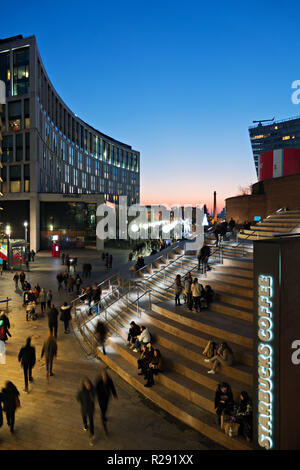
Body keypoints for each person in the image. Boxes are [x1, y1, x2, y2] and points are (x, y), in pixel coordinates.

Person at [95, 368, 117, 435]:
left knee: (106, 407)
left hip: (107, 397)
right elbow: (96, 389)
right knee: (102, 408)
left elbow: (112, 387)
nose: (104, 377)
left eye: (105, 375)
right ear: (101, 375)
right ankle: (103, 419)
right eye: (103, 375)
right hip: (101, 398)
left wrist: (114, 394)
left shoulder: (109, 380)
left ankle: (103, 415)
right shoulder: (99, 381)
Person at [76, 379, 96, 446]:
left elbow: (94, 397)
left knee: (91, 421)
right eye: (86, 384)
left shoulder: (92, 391)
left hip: (90, 409)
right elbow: (78, 398)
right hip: (84, 409)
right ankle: (85, 425)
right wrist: (83, 404)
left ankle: (92, 435)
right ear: (84, 385)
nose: (88, 385)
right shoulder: (81, 392)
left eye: (89, 384)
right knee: (84, 418)